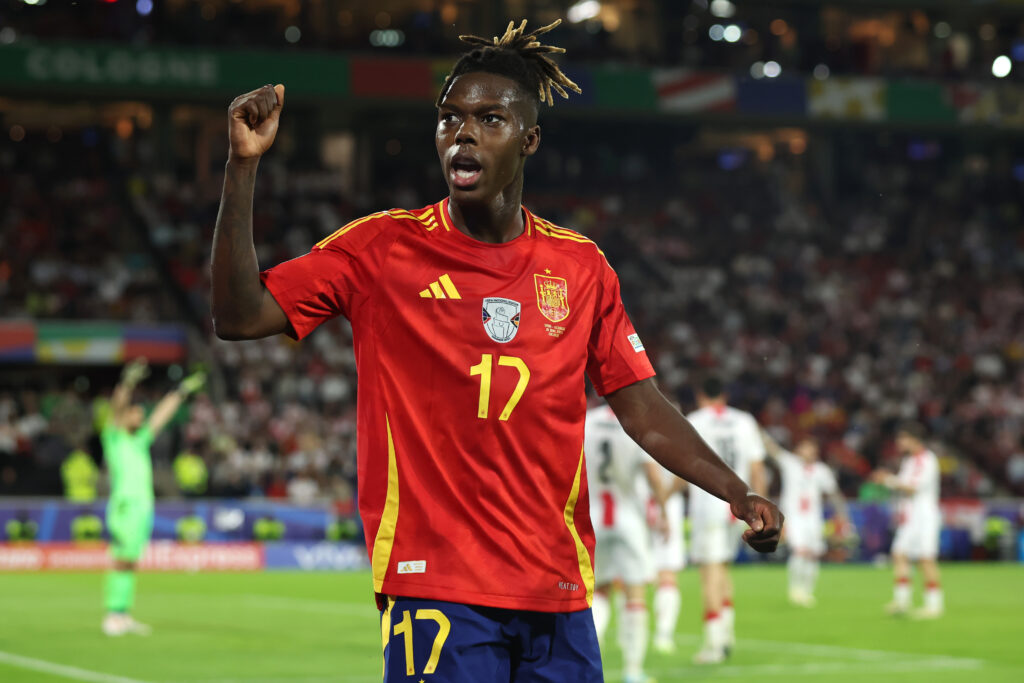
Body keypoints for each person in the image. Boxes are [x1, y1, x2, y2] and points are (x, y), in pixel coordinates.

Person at [211, 19, 783, 681]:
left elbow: (643, 407)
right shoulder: (381, 249)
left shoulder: (579, 266)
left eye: (489, 119)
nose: (463, 133)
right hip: (437, 583)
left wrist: (736, 492)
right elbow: (238, 314)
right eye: (449, 117)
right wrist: (243, 166)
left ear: (529, 139)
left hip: (556, 589)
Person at [101, 359, 205, 636]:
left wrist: (181, 391)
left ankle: (122, 613)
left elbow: (161, 414)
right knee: (122, 559)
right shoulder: (114, 437)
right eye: (134, 412)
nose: (139, 415)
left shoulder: (140, 439)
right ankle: (113, 614)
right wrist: (127, 383)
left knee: (131, 560)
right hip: (125, 505)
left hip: (143, 507)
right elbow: (116, 407)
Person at [585, 403, 668, 683]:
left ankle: (589, 661)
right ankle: (633, 671)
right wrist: (664, 510)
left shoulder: (587, 421)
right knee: (635, 593)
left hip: (593, 516)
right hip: (629, 519)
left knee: (598, 592)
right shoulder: (633, 422)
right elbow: (652, 473)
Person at [685, 377, 767, 664]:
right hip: (739, 508)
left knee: (709, 574)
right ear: (724, 394)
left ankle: (713, 645)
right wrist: (760, 508)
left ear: (699, 395)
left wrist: (665, 496)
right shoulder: (744, 421)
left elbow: (684, 464)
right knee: (723, 569)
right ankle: (727, 634)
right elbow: (757, 468)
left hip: (708, 507)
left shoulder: (695, 420)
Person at [762, 432, 849, 607]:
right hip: (794, 518)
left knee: (813, 554)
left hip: (813, 519)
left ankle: (807, 592)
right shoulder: (790, 463)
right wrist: (758, 431)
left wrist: (842, 516)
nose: (809, 451)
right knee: (800, 551)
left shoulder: (821, 470)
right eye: (805, 447)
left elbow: (833, 494)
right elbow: (772, 449)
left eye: (812, 448)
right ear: (798, 449)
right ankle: (795, 590)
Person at [871, 422, 943, 619]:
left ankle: (934, 605)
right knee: (899, 554)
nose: (898, 442)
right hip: (910, 517)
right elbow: (902, 487)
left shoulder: (927, 460)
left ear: (913, 439)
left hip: (925, 516)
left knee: (926, 559)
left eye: (902, 438)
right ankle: (902, 602)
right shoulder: (910, 461)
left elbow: (912, 488)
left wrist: (887, 479)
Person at [648, 455, 687, 654]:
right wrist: (664, 499)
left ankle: (603, 636)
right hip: (665, 506)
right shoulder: (674, 432)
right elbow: (684, 474)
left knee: (622, 579)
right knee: (667, 575)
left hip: (633, 504)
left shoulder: (631, 429)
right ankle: (663, 635)